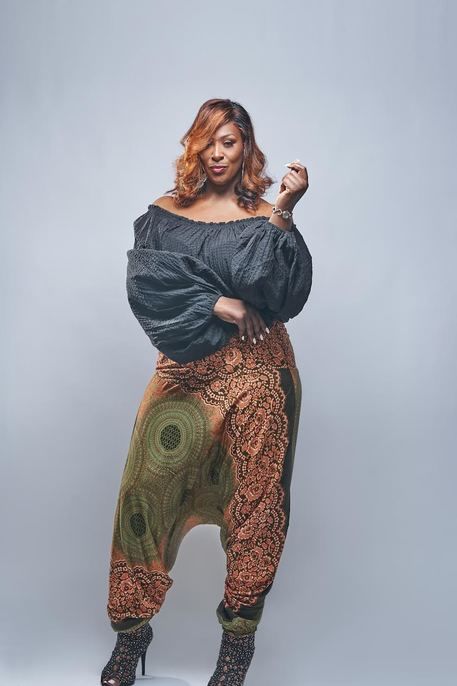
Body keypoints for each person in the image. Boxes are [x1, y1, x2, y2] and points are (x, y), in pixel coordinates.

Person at [100, 98, 312, 686]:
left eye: (230, 142)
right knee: (145, 494)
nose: (218, 153)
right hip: (186, 372)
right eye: (208, 140)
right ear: (194, 144)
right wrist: (217, 303)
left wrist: (285, 213)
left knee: (257, 509)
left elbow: (278, 292)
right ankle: (131, 632)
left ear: (247, 149)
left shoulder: (269, 216)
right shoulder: (163, 214)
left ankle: (236, 648)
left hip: (260, 371)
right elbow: (146, 283)